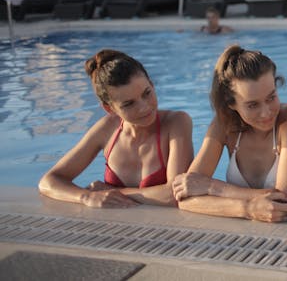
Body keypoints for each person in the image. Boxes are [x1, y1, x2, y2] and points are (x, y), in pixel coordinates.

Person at [38, 49, 194, 207]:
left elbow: (174, 195)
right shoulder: (107, 129)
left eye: (147, 93)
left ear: (152, 85)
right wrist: (86, 197)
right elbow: (49, 181)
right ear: (109, 109)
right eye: (129, 104)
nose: (144, 107)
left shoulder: (176, 123)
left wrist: (109, 191)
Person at [172, 45, 287, 222]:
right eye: (252, 105)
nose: (266, 112)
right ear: (231, 104)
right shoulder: (224, 125)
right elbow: (186, 198)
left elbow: (282, 200)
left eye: (271, 97)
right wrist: (248, 209)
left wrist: (212, 187)